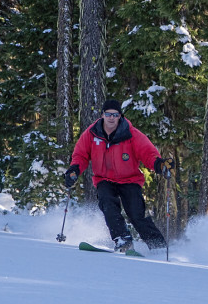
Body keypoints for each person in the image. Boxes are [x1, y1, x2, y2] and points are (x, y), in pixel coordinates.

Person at [64, 99, 174, 253]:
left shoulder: (131, 134)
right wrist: (74, 169)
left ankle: (159, 246)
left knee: (136, 214)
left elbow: (148, 153)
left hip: (129, 179)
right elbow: (81, 155)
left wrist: (159, 165)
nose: (111, 118)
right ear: (102, 115)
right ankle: (123, 240)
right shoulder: (92, 133)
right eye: (108, 114)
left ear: (120, 116)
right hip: (104, 179)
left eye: (115, 115)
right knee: (108, 205)